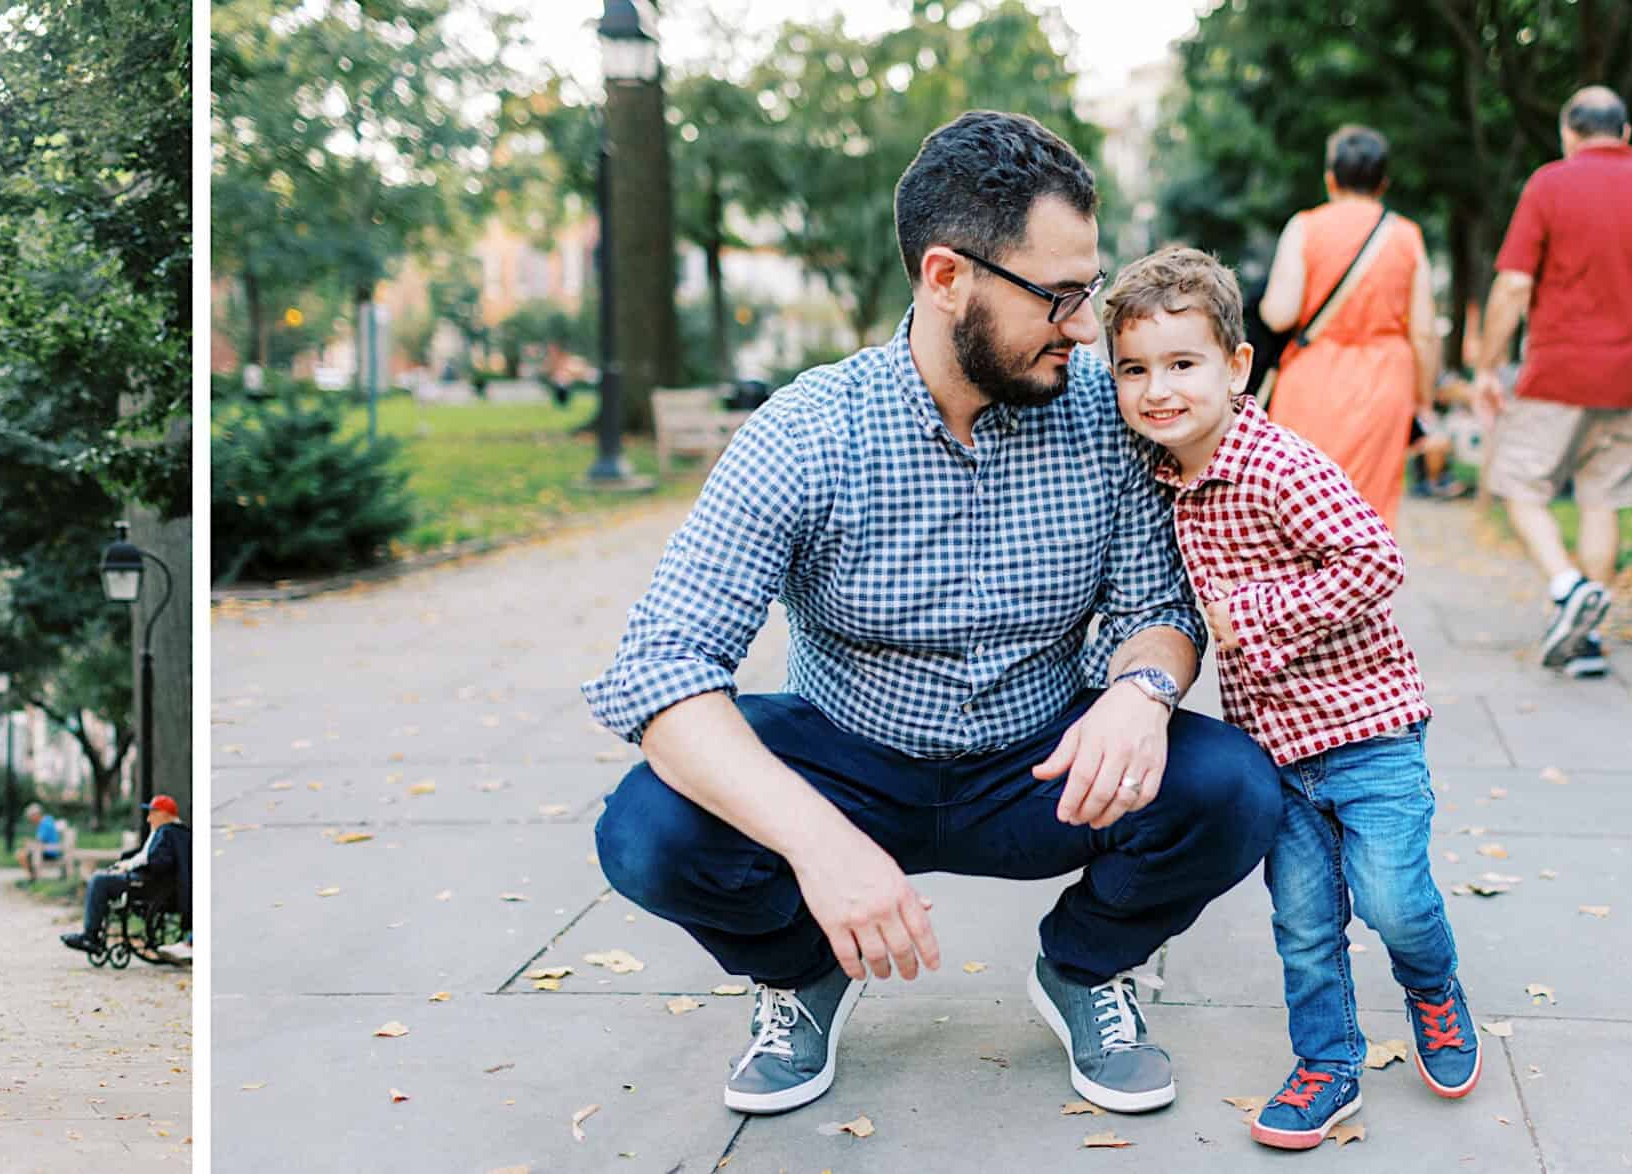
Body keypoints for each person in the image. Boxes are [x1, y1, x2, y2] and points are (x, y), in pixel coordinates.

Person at [583, 110, 1280, 1118]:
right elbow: (663, 667)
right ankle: (803, 970)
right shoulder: (808, 432)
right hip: (846, 758)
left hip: (1042, 762)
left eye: (1089, 290)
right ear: (947, 277)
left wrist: (1140, 690)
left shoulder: (1101, 410)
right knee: (647, 829)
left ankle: (1085, 969)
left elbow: (1159, 606)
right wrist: (820, 848)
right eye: (1059, 296)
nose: (1088, 327)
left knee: (1234, 788)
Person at [1100, 247, 1478, 1150]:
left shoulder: (1277, 464)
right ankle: (1328, 1063)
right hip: (1275, 746)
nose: (1158, 389)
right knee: (1304, 925)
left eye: (1183, 364)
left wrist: (1256, 612)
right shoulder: (1165, 476)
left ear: (1237, 367)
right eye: (1134, 370)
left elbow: (1375, 559)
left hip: (1370, 730)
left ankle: (1433, 987)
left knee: (1393, 902)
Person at [1470, 86, 1632, 679]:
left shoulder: (1549, 184)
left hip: (1557, 373)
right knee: (1601, 499)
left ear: (1568, 133)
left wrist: (1485, 367)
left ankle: (1566, 587)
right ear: (1626, 134)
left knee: (1519, 485)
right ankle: (1587, 642)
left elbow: (1511, 287)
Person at [1257, 125, 1442, 529]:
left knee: (1299, 506)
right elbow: (1425, 332)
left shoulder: (1305, 226)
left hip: (1311, 379)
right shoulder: (1407, 236)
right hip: (1385, 385)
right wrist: (1424, 401)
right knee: (1367, 514)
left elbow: (1279, 313)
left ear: (1330, 178)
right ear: (1383, 183)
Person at [61, 795, 189, 956]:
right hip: (151, 881)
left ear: (163, 814)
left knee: (99, 880)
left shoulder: (167, 832)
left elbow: (156, 860)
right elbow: (150, 856)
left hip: (148, 883)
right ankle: (92, 933)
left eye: (152, 814)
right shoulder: (171, 832)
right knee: (102, 876)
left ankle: (91, 936)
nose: (148, 819)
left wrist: (128, 865)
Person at [20, 803, 63, 882]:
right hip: (49, 850)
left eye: (31, 817)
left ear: (36, 815)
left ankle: (32, 878)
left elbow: (39, 842)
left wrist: (28, 843)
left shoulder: (45, 824)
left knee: (22, 854)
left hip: (50, 852)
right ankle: (33, 877)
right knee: (24, 853)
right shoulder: (46, 821)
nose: (30, 819)